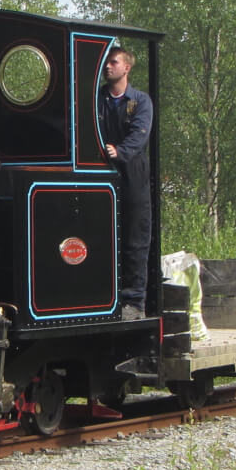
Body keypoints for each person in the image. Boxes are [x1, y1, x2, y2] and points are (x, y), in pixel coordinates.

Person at [97, 45, 153, 319]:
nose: (108, 66)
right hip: (101, 172)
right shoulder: (97, 99)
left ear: (126, 68)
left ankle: (134, 302)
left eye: (114, 62)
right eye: (107, 62)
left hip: (132, 172)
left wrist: (119, 152)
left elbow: (140, 133)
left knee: (134, 238)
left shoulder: (140, 101)